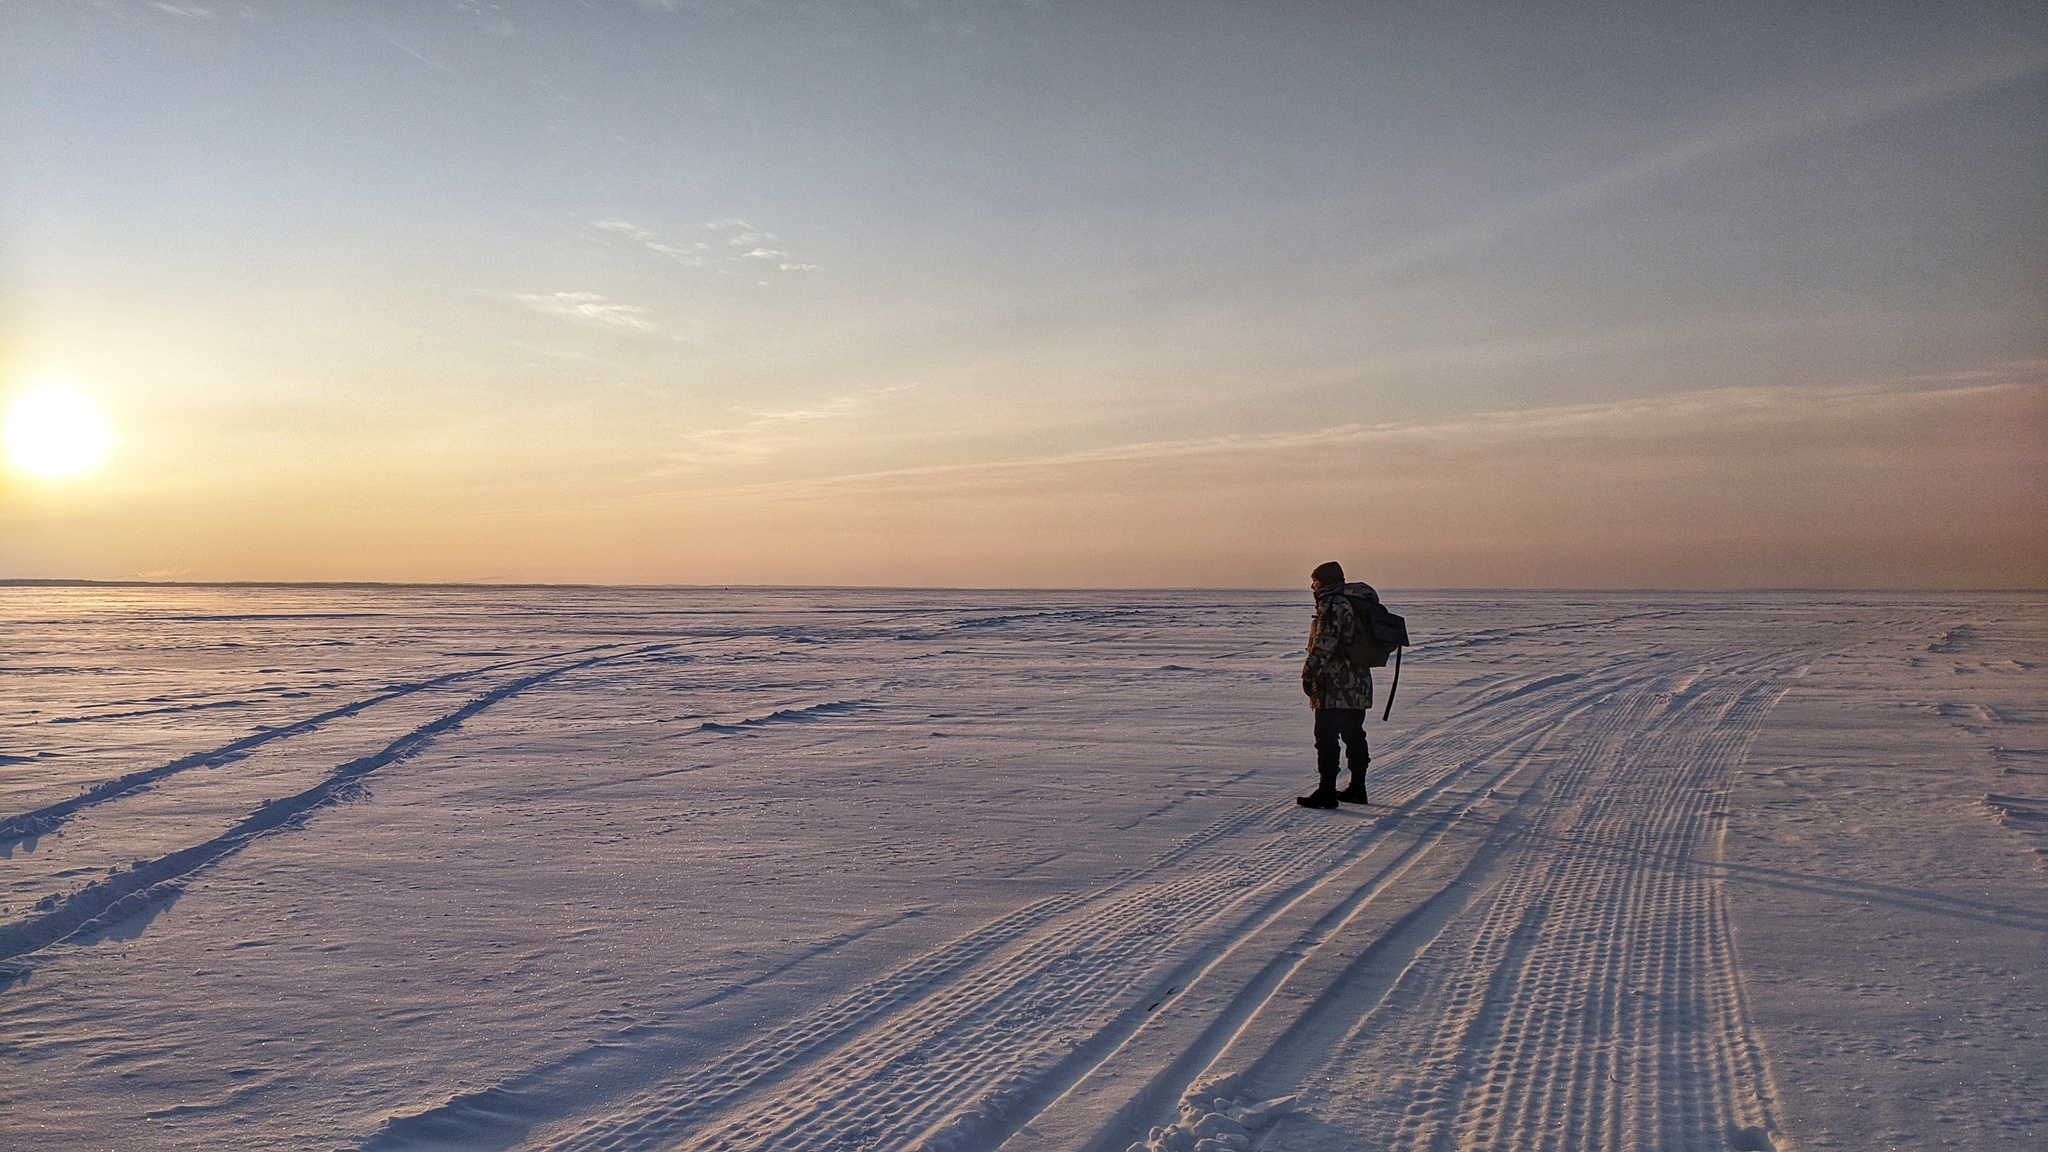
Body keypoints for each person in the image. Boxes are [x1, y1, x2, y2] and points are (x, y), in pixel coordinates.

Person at [1299, 560, 1371, 809]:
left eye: (1316, 580)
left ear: (1326, 582)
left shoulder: (1331, 604)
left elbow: (1324, 644)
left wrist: (1308, 674)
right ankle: (1357, 788)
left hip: (1335, 684)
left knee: (1326, 736)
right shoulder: (1352, 600)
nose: (1312, 585)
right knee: (1354, 733)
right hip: (1358, 682)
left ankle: (1327, 791)